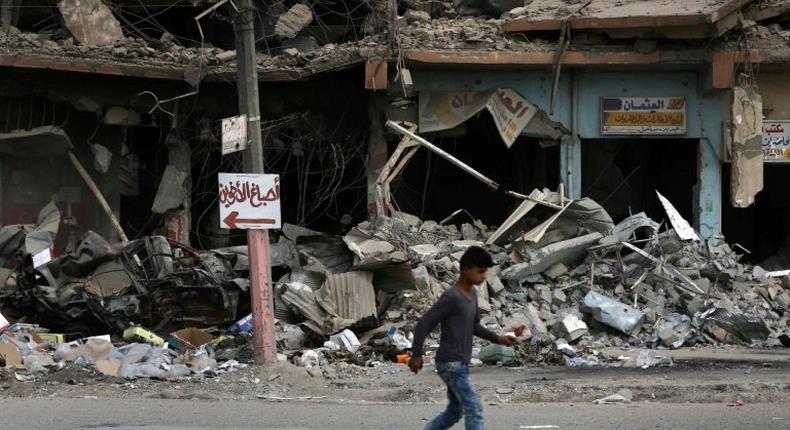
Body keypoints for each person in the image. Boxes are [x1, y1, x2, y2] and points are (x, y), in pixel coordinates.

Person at [409, 246, 517, 430]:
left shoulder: (472, 295)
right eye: (480, 271)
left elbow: (474, 326)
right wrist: (416, 354)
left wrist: (499, 339)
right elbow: (425, 322)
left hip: (460, 362)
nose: (484, 277)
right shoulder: (452, 296)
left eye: (485, 272)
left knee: (455, 410)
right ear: (466, 269)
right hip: (451, 362)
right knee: (473, 407)